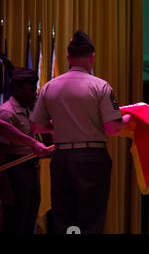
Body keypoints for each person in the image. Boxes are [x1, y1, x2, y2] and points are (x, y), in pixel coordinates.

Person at [30, 30, 131, 234]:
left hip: (61, 157)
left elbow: (36, 127)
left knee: (62, 219)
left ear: (68, 57)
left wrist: (57, 125)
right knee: (91, 220)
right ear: (92, 57)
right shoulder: (102, 87)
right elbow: (112, 128)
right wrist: (132, 118)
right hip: (92, 159)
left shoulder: (48, 87)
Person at [0, 67, 47, 234]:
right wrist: (5, 188)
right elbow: (1, 153)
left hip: (30, 169)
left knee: (29, 217)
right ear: (18, 89)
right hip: (14, 171)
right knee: (15, 221)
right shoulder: (7, 113)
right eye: (31, 89)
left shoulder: (28, 109)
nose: (35, 93)